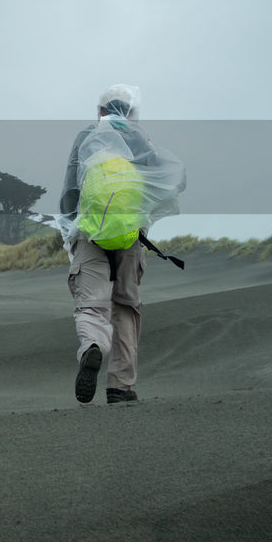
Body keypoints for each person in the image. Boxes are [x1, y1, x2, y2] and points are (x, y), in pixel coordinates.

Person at [58, 84, 186, 404]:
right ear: (131, 112)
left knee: (91, 305)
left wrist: (70, 230)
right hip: (130, 235)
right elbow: (167, 181)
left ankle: (93, 347)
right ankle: (121, 384)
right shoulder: (140, 138)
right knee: (126, 306)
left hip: (90, 231)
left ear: (100, 111)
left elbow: (70, 189)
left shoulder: (86, 136)